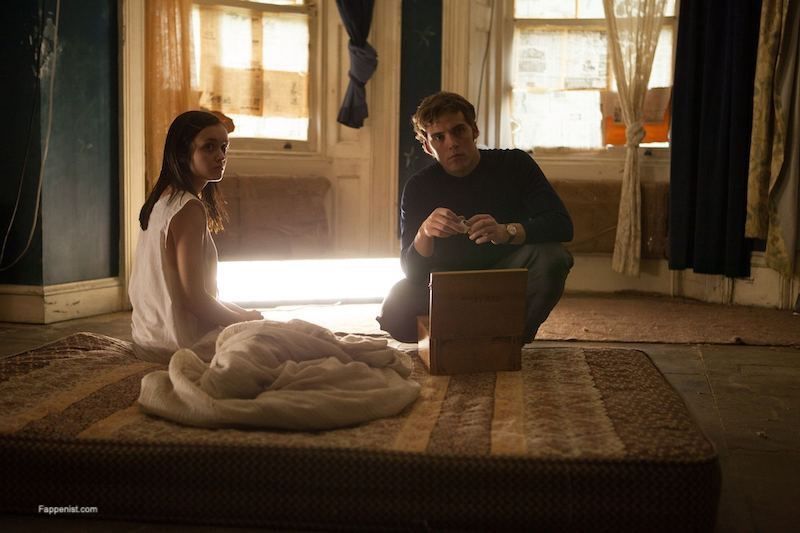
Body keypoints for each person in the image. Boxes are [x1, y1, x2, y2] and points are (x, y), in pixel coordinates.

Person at [377, 91, 574, 344]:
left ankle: (511, 339)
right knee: (395, 310)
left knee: (553, 258)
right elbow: (412, 273)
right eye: (439, 137)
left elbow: (562, 224)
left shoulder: (515, 164)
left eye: (459, 131)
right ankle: (470, 335)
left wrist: (507, 231)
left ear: (474, 131)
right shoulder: (418, 187)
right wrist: (424, 232)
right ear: (427, 146)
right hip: (448, 282)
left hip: (507, 273)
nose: (452, 143)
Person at [129, 110, 262, 363]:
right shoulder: (188, 208)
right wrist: (242, 321)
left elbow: (190, 294)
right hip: (177, 345)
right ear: (182, 153)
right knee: (291, 340)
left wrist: (242, 314)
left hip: (147, 338)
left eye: (224, 147)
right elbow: (195, 299)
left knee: (270, 331)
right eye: (209, 147)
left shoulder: (162, 199)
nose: (220, 156)